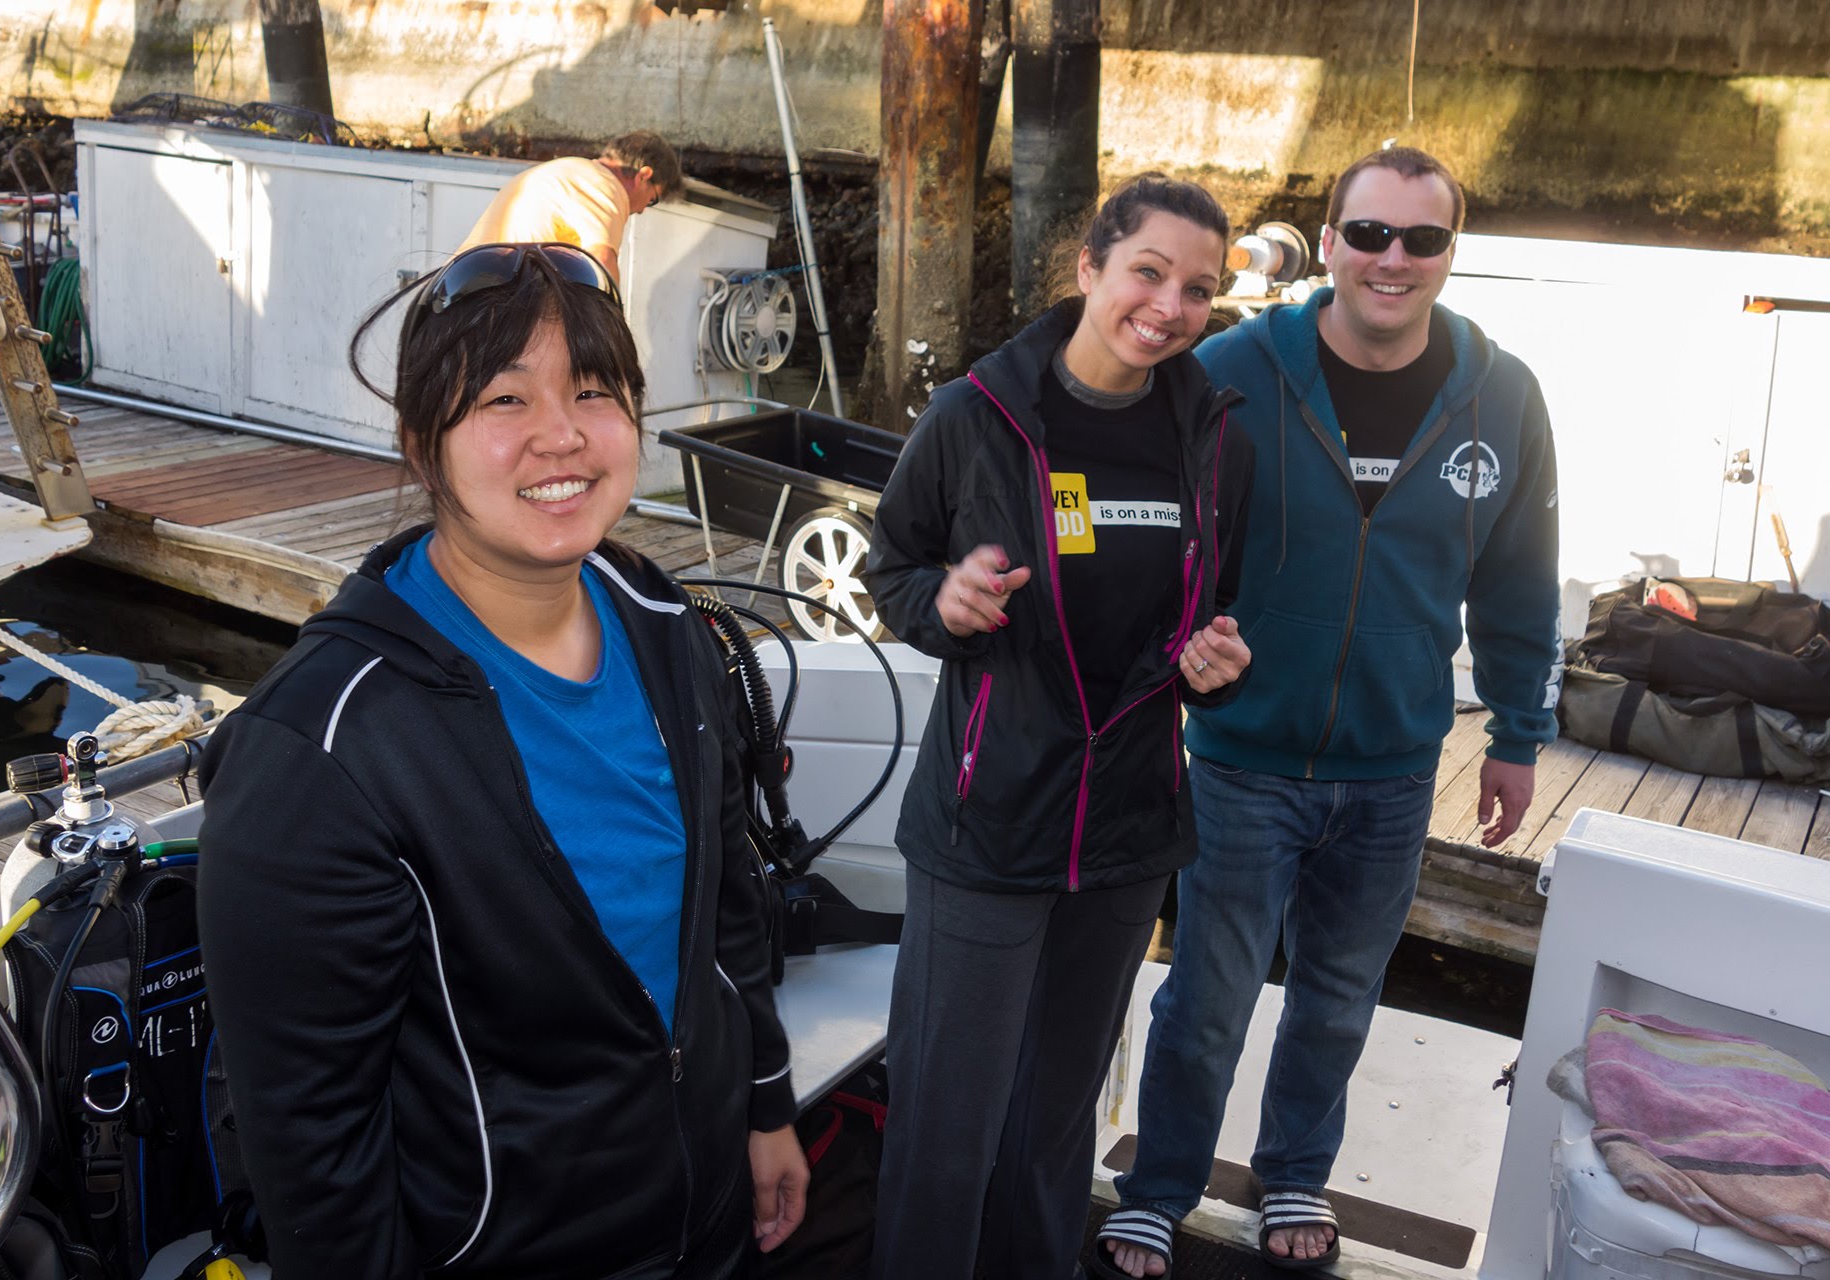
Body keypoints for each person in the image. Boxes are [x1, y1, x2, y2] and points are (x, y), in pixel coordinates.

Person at [196, 242, 807, 1278]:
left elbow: (727, 907)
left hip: (706, 1215)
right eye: (504, 399)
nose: (561, 433)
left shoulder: (667, 627)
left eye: (594, 391)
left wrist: (764, 1102)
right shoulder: (322, 746)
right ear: (420, 442)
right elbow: (311, 1140)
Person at [1097, 146, 1561, 1275]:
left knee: (1340, 998)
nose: (1392, 259)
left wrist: (1516, 734)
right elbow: (1151, 530)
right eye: (1368, 233)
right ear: (1329, 241)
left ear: (1452, 252)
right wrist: (1172, 645)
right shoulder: (1232, 367)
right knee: (1208, 997)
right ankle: (1160, 1186)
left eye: (1421, 238)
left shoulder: (1504, 395)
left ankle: (1295, 1172)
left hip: (1395, 769)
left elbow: (1519, 581)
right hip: (1241, 756)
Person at [862, 173, 1257, 1280]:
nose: (1169, 306)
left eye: (1197, 289)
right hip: (986, 818)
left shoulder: (1217, 441)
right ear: (1089, 266)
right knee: (947, 1122)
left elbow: (1212, 617)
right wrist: (943, 603)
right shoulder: (974, 416)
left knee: (1055, 1119)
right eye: (1148, 272)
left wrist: (1215, 671)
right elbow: (893, 570)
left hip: (1129, 831)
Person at [458, 131, 684, 280]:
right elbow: (601, 261)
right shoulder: (604, 185)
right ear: (643, 176)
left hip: (460, 289)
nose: (642, 210)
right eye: (652, 199)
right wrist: (613, 330)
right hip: (500, 299)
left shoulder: (565, 170)